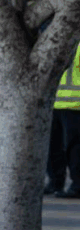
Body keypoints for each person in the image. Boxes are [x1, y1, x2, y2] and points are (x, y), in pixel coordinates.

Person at [47, 40, 80, 198]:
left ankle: (77, 185)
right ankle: (55, 181)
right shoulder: (56, 42)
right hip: (53, 102)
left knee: (74, 147)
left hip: (75, 104)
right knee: (53, 146)